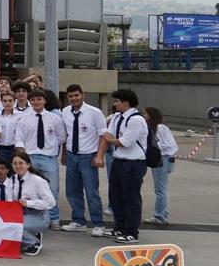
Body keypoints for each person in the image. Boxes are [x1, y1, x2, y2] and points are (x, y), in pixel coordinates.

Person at [98, 89, 149, 244]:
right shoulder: (117, 117)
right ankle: (119, 227)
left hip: (133, 163)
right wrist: (110, 138)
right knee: (115, 196)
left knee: (131, 198)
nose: (114, 104)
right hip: (118, 160)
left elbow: (125, 142)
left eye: (117, 101)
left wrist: (110, 138)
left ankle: (132, 232)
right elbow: (109, 134)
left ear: (126, 103)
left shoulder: (136, 120)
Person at [59, 84, 107, 236]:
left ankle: (98, 223)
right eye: (71, 96)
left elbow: (103, 136)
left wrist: (99, 156)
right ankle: (78, 221)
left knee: (91, 192)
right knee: (72, 191)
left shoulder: (94, 113)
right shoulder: (65, 112)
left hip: (88, 157)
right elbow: (66, 135)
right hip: (71, 155)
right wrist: (64, 154)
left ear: (82, 95)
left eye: (76, 95)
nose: (74, 98)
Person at [14, 89, 64, 230]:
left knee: (52, 189)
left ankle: (54, 218)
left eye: (39, 99)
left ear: (44, 100)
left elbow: (61, 137)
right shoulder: (24, 119)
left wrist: (51, 148)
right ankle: (33, 217)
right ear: (30, 102)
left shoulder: (55, 119)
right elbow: (19, 139)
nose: (36, 102)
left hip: (49, 158)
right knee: (30, 188)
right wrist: (24, 157)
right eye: (33, 100)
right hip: (30, 157)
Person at [12, 151, 56, 256]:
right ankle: (31, 234)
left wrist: (29, 203)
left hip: (39, 216)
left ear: (28, 165)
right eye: (15, 163)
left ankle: (33, 242)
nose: (18, 166)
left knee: (16, 226)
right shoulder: (13, 179)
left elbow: (51, 203)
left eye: (21, 163)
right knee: (6, 224)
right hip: (21, 214)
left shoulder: (38, 181)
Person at [144, 107, 177, 226]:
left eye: (145, 113)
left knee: (160, 189)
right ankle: (162, 214)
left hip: (163, 159)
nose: (143, 115)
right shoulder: (154, 127)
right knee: (160, 189)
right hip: (162, 159)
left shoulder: (160, 128)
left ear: (151, 115)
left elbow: (170, 144)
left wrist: (154, 147)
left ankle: (160, 216)